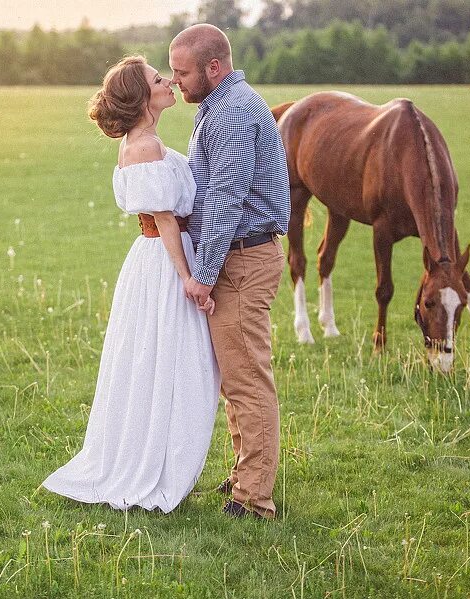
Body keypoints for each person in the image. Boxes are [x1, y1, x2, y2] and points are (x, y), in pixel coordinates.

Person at [41, 56, 220, 513]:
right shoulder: (143, 147)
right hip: (163, 262)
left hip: (162, 256)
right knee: (170, 362)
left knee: (170, 361)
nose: (169, 82)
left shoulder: (150, 142)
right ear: (143, 98)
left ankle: (164, 457)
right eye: (159, 80)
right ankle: (150, 465)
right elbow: (164, 218)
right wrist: (188, 278)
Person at [170, 24, 291, 519]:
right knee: (234, 378)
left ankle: (254, 498)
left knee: (247, 380)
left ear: (213, 67)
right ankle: (246, 473)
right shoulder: (218, 106)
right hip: (235, 256)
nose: (175, 81)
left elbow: (226, 199)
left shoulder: (235, 113)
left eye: (182, 72)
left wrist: (202, 274)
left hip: (243, 258)